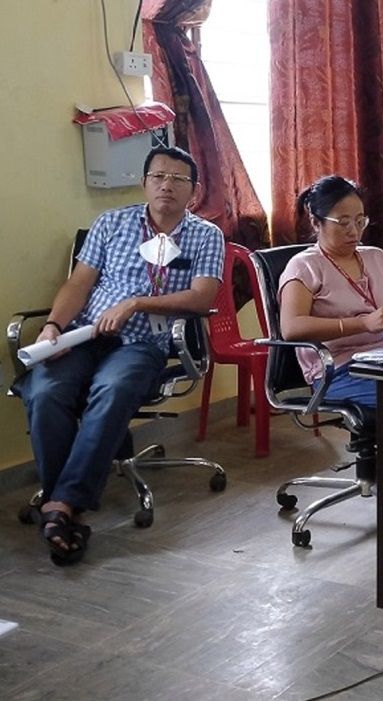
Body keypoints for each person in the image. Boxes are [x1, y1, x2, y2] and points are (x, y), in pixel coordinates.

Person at [20, 145, 224, 565]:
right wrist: (54, 326)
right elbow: (79, 284)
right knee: (44, 391)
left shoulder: (206, 235)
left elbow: (202, 298)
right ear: (144, 182)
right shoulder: (112, 223)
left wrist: (136, 303)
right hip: (84, 335)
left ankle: (61, 506)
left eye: (178, 179)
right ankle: (65, 507)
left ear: (194, 190)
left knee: (111, 389)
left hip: (142, 343)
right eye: (159, 176)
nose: (167, 185)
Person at [279, 175, 383, 407]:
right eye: (343, 223)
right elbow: (291, 328)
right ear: (316, 222)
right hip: (341, 369)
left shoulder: (378, 257)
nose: (354, 231)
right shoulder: (305, 266)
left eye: (360, 221)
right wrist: (363, 324)